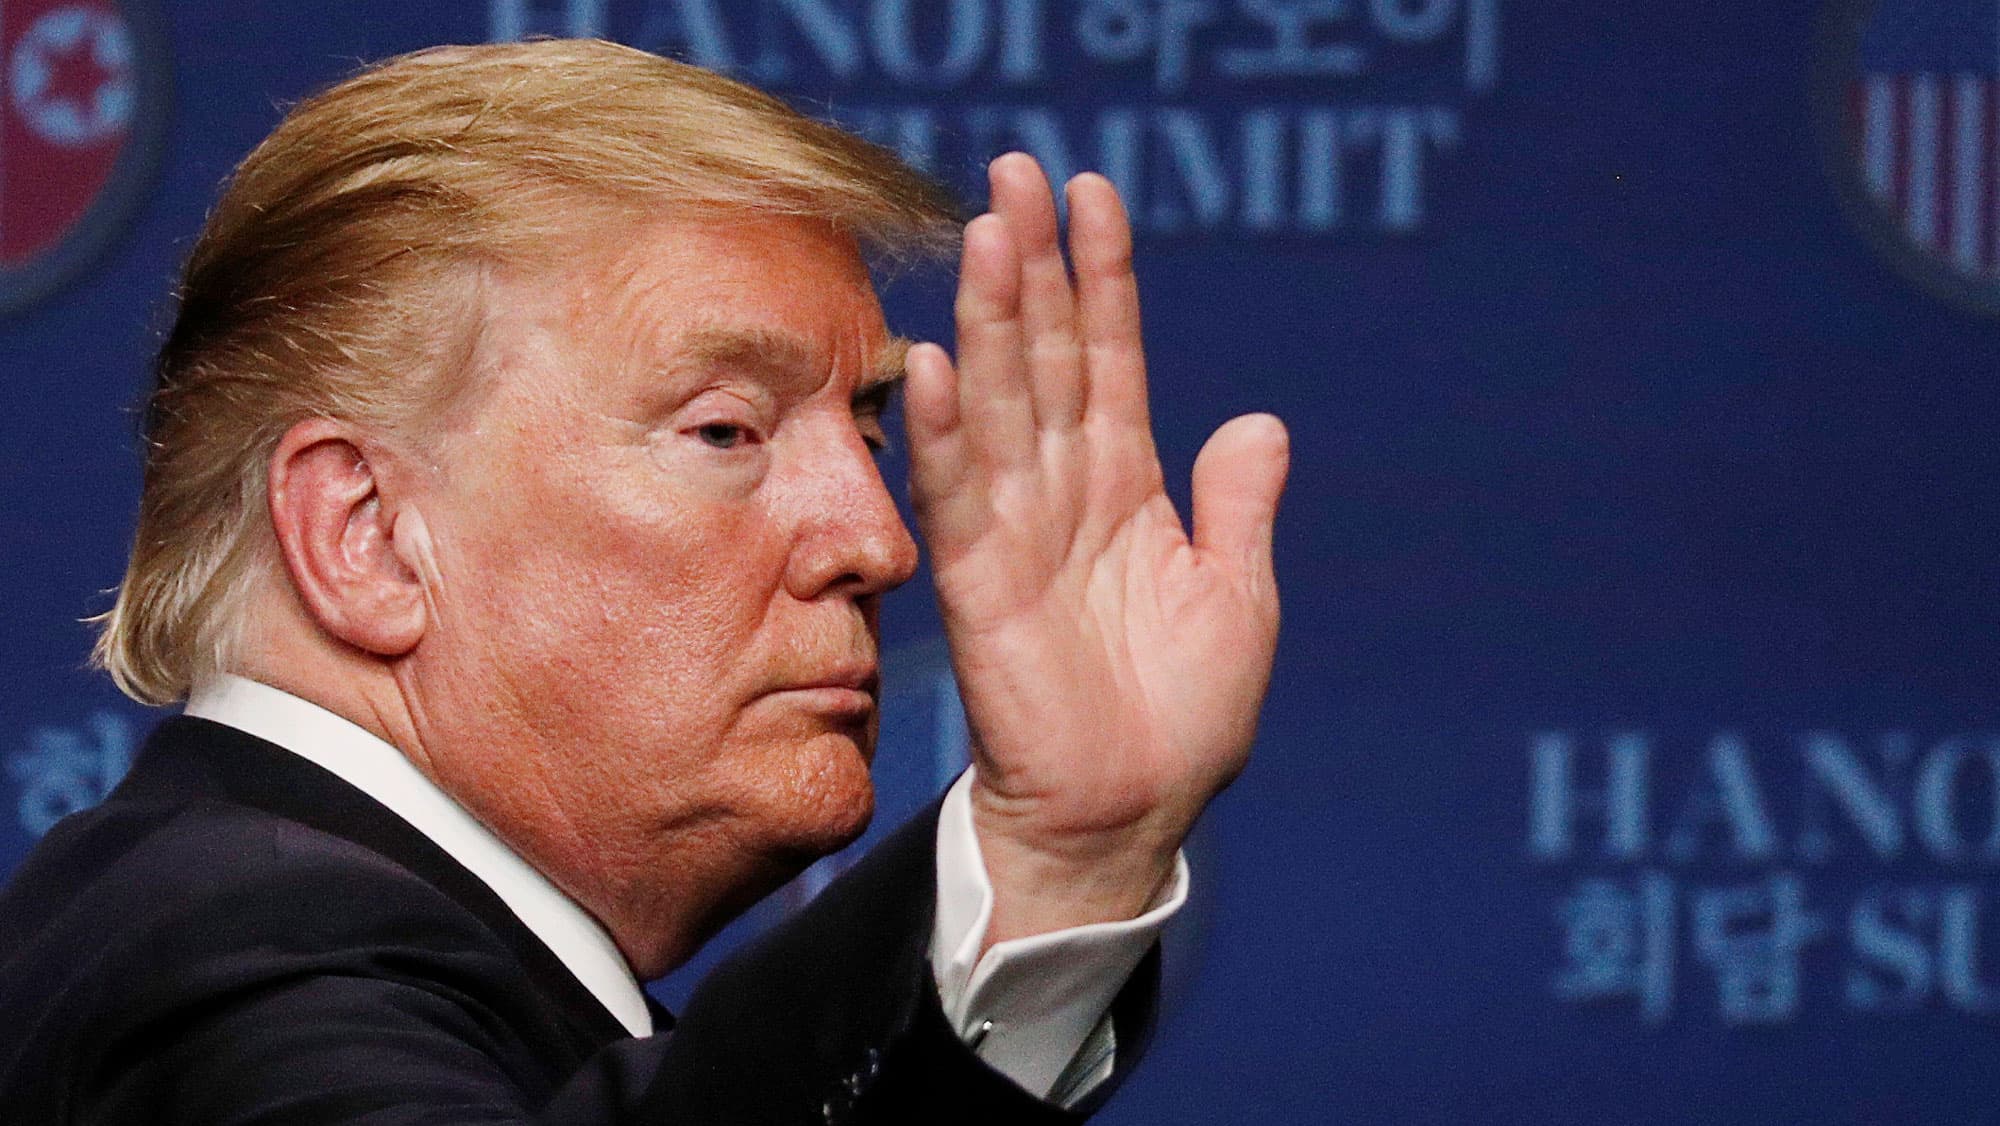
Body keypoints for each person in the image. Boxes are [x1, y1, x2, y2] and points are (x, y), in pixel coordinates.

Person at [0, 39, 1288, 1124]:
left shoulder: (354, 953)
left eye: (871, 435)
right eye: (727, 432)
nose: (878, 543)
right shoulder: (234, 964)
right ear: (369, 535)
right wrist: (1043, 867)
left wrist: (1076, 855)